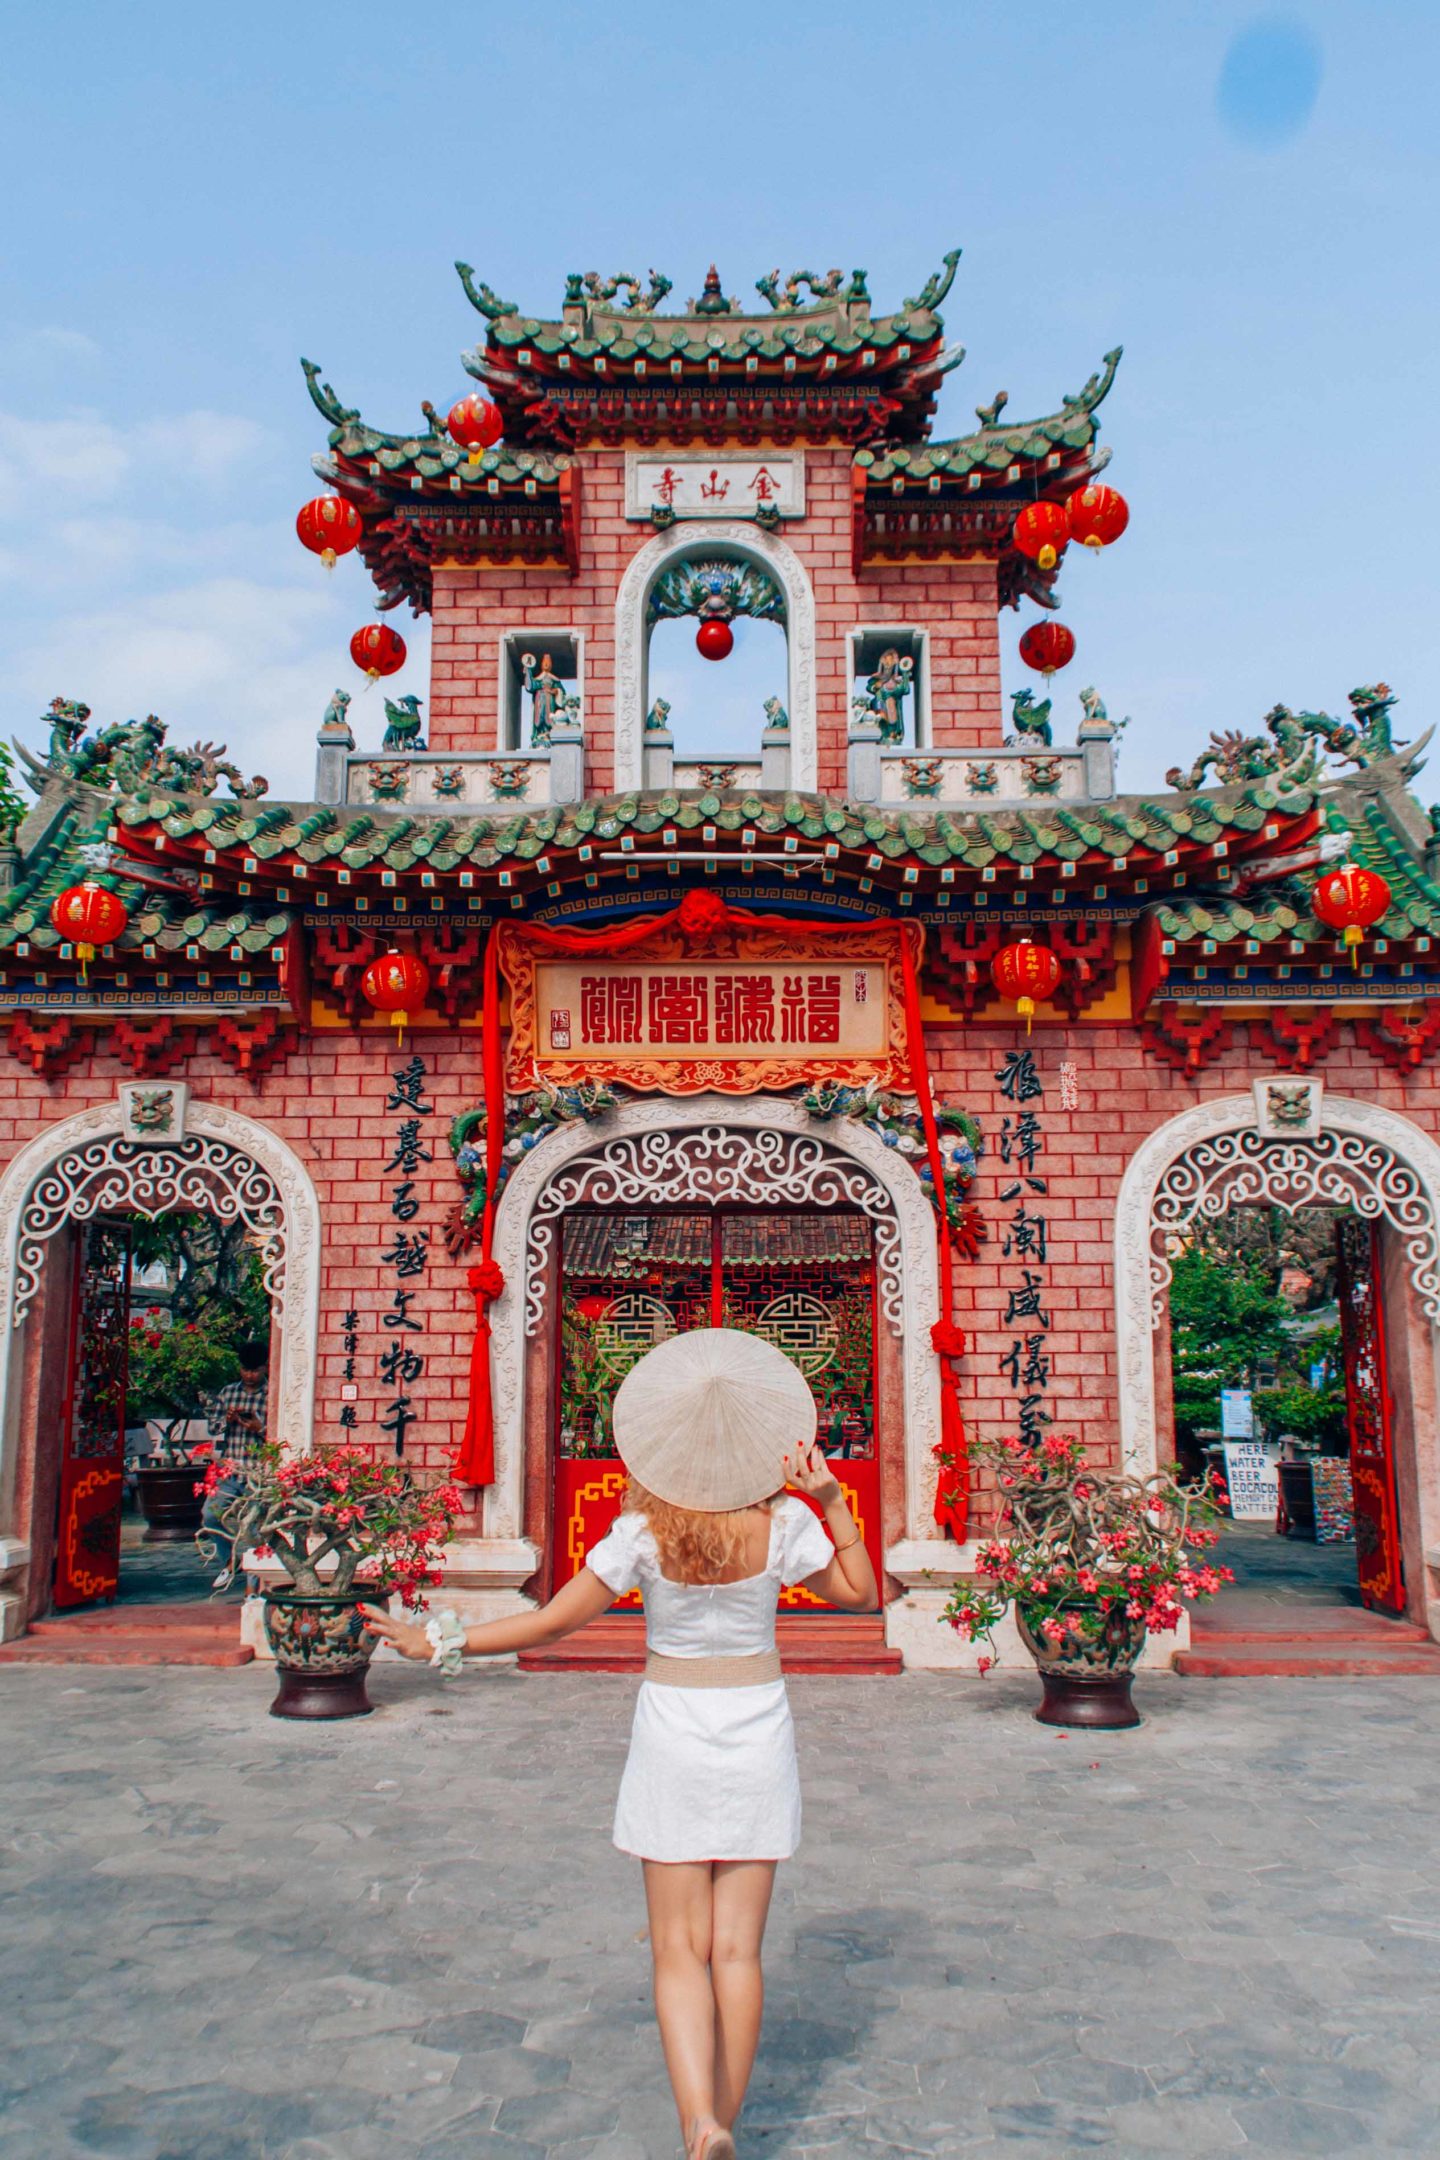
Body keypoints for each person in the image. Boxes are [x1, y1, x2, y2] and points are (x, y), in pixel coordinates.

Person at [365, 1327, 878, 2160]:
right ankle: (730, 2126)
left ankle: (697, 2124)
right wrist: (831, 1501)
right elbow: (858, 1596)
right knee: (737, 1951)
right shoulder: (782, 1522)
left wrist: (440, 1640)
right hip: (756, 1723)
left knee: (678, 1949)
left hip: (673, 1725)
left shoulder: (642, 1533)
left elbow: (552, 1621)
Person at [201, 1340, 269, 1581]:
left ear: (265, 1368)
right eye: (245, 1370)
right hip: (230, 1469)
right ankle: (230, 1560)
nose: (249, 1375)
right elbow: (213, 1427)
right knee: (210, 1515)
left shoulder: (272, 1394)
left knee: (252, 1527)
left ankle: (255, 1581)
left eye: (255, 1370)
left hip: (258, 1472)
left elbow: (282, 1435)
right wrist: (227, 1420)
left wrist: (260, 1428)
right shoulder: (229, 1392)